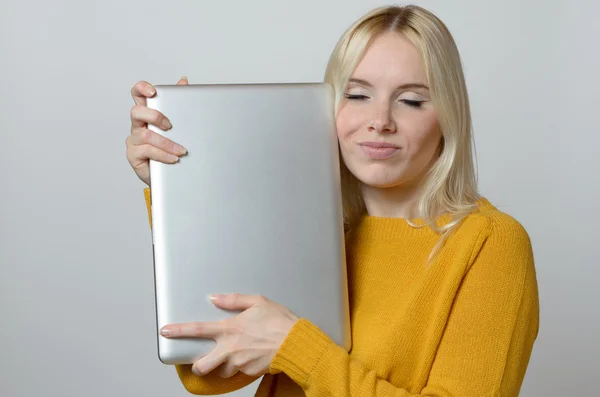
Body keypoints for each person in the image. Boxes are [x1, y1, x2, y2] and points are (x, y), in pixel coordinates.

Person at [126, 4, 539, 397]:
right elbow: (204, 375)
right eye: (358, 95)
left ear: (448, 115)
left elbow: (292, 352)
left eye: (411, 100)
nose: (380, 121)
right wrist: (174, 184)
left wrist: (298, 349)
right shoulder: (314, 228)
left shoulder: (490, 242)